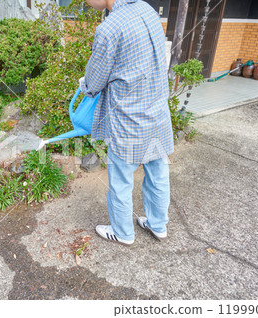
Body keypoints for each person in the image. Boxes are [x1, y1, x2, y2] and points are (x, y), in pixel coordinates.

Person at [79, 0, 174, 245]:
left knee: (121, 178)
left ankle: (122, 233)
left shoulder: (109, 28)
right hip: (157, 111)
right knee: (158, 172)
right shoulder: (146, 9)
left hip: (129, 117)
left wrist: (85, 85)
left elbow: (95, 80)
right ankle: (158, 225)